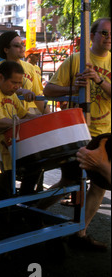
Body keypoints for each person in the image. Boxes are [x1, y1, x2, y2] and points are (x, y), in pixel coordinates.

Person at [40, 18, 111, 250]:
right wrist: (73, 88)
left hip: (104, 134)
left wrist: (99, 80)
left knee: (100, 185)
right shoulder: (76, 60)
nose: (108, 38)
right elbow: (48, 90)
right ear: (91, 36)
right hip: (78, 133)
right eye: (104, 33)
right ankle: (34, 211)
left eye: (111, 34)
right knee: (71, 181)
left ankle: (80, 232)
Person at [0, 61, 39, 199]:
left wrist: (42, 119)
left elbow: (24, 114)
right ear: (1, 77)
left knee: (13, 193)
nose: (17, 87)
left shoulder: (11, 94)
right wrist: (27, 122)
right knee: (0, 198)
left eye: (19, 83)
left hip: (7, 153)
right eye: (13, 82)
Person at [0, 31, 48, 115]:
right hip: (6, 117)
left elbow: (37, 96)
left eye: (22, 44)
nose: (22, 48)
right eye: (17, 45)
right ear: (6, 50)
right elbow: (0, 89)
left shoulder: (30, 68)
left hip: (25, 116)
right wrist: (22, 91)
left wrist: (50, 116)